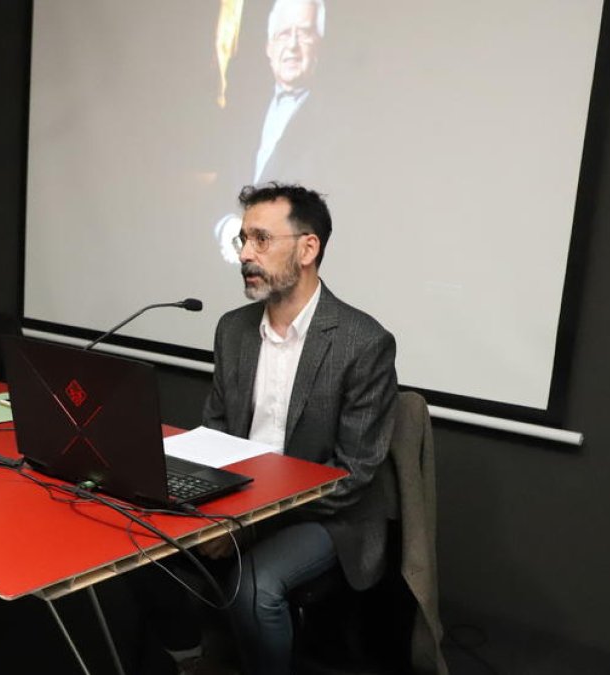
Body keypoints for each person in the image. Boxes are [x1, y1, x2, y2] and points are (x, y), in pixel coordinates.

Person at [154, 182, 398, 675]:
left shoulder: (363, 342)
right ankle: (190, 660)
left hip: (330, 515)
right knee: (143, 547)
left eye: (261, 240)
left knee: (254, 588)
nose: (246, 253)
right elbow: (217, 432)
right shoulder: (233, 329)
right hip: (241, 498)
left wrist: (245, 526)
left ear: (309, 248)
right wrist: (209, 505)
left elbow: (350, 477)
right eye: (242, 240)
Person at [215, 0, 328, 264]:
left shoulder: (337, 123)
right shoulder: (241, 112)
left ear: (319, 45)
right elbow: (217, 190)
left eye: (304, 33)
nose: (292, 45)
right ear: (268, 47)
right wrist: (224, 227)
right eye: (283, 34)